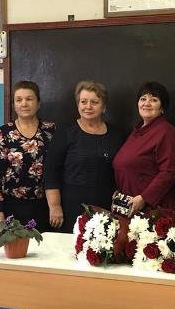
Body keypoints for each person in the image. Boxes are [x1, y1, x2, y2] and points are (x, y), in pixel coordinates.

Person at [44, 81, 125, 231]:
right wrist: (55, 207)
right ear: (77, 105)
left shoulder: (117, 135)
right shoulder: (65, 132)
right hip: (71, 207)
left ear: (104, 106)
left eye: (94, 102)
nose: (88, 106)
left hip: (106, 208)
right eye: (83, 101)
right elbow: (51, 173)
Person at [0, 81, 56, 232]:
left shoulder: (51, 130)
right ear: (14, 105)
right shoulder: (4, 132)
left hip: (44, 206)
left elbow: (57, 169)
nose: (24, 104)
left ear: (38, 103)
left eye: (29, 99)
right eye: (19, 100)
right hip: (11, 206)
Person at [112, 82, 175, 213]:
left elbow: (169, 171)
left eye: (154, 100)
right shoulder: (137, 131)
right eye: (143, 99)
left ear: (162, 107)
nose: (146, 103)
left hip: (154, 208)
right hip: (131, 205)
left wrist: (144, 198)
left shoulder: (166, 132)